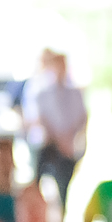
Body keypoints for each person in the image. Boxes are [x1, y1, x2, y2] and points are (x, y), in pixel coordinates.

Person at [24, 50, 87, 212]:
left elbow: (82, 117)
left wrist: (69, 139)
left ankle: (62, 214)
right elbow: (41, 119)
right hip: (46, 145)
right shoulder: (42, 92)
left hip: (68, 147)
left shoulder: (75, 93)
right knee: (38, 183)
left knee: (64, 184)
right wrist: (58, 140)